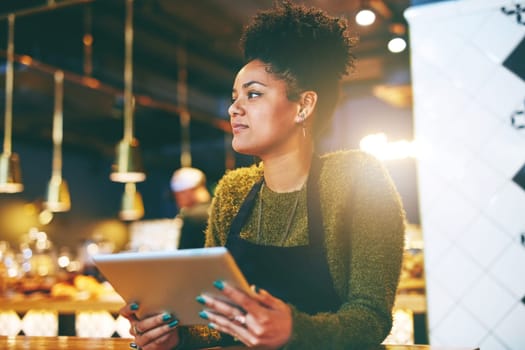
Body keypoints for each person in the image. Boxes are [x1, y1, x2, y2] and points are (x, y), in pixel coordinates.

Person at [120, 1, 406, 349]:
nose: (233, 108)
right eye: (234, 97)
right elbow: (215, 321)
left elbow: (370, 318)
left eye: (253, 94)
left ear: (304, 105)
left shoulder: (358, 178)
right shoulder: (233, 191)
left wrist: (293, 331)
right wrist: (173, 335)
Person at [170, 167, 211, 250]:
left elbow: (183, 255)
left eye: (177, 195)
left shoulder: (191, 217)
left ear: (187, 192)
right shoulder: (218, 209)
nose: (176, 199)